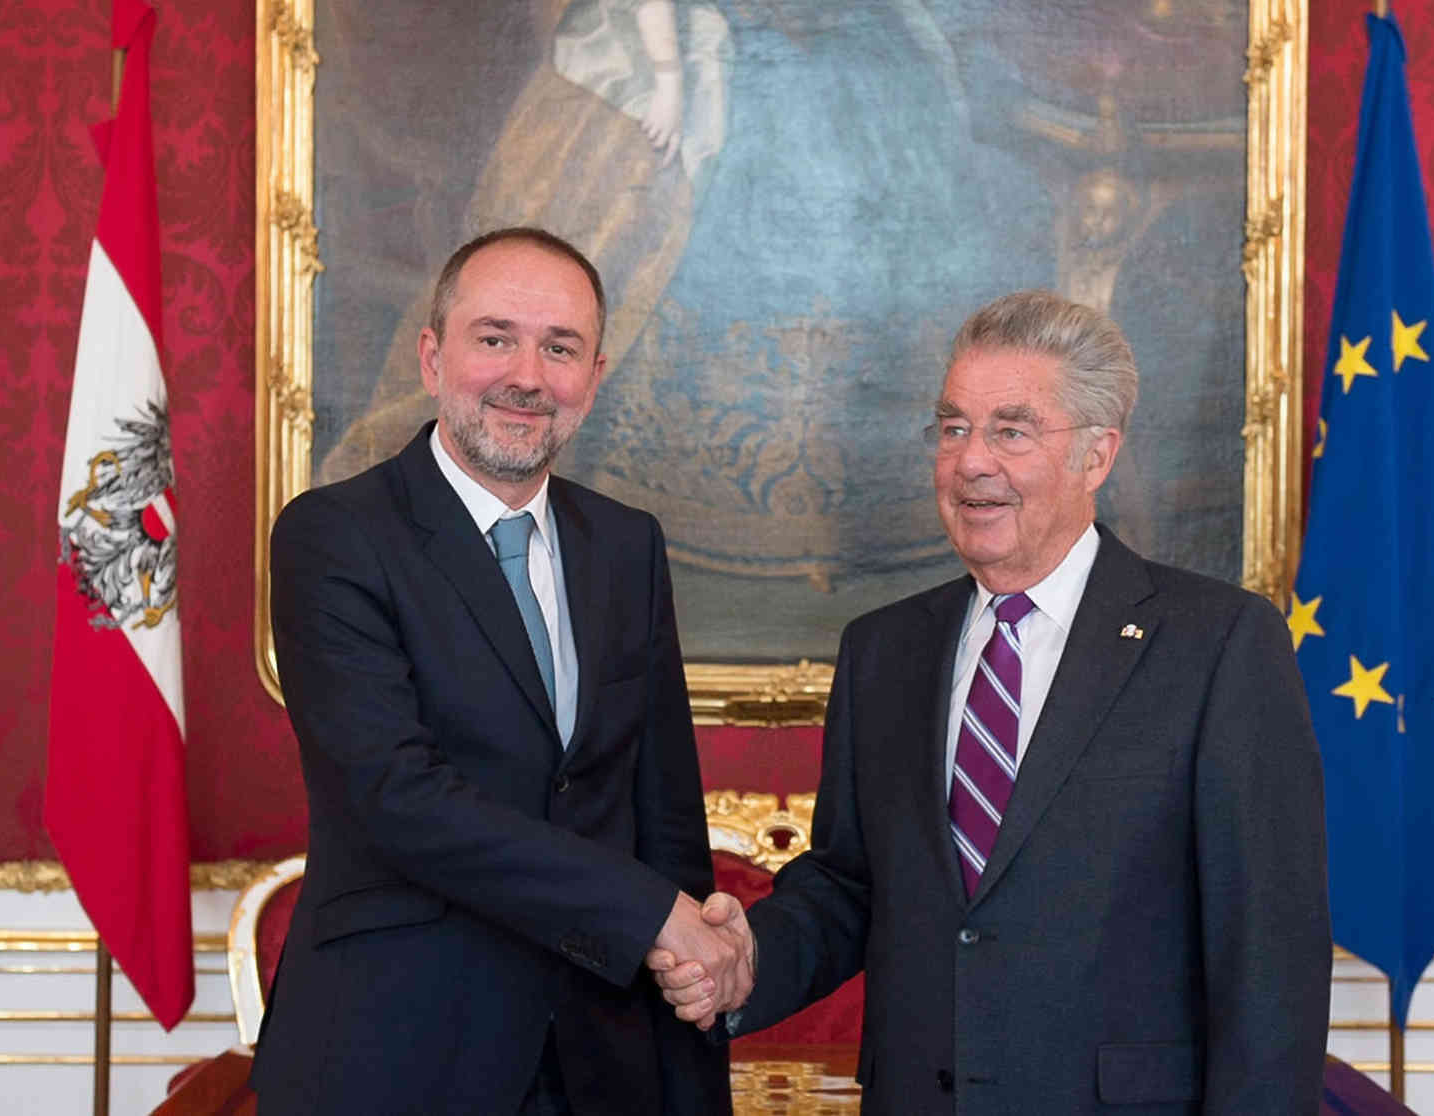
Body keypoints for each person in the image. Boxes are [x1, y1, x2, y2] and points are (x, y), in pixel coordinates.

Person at [653, 290, 1332, 1113]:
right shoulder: (884, 650)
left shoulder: (1218, 643)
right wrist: (747, 959)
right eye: (953, 429)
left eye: (1011, 431)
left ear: (1097, 456)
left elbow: (1269, 951)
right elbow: (851, 886)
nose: (971, 461)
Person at [253, 228, 739, 1115]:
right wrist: (647, 913)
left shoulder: (626, 545)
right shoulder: (334, 536)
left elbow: (663, 808)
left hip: (601, 1056)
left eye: (560, 348)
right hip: (396, 1054)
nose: (527, 376)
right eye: (495, 338)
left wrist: (697, 1001)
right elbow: (398, 798)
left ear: (594, 377)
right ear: (432, 356)